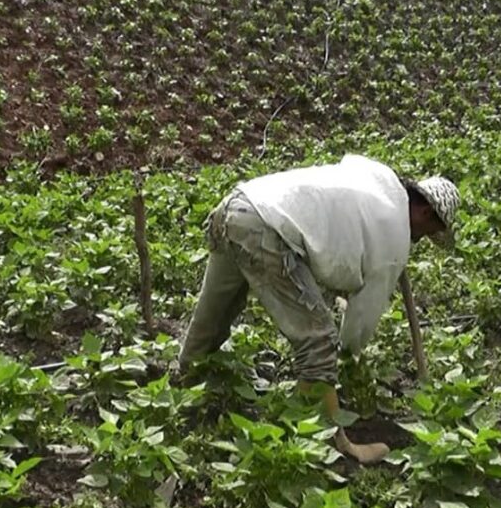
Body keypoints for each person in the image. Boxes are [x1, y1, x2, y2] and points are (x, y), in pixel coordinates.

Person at [178, 153, 460, 463]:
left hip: (239, 205)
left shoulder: (379, 182)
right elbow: (360, 322)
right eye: (428, 231)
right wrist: (343, 363)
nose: (422, 239)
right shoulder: (394, 239)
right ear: (424, 211)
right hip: (267, 229)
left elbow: (327, 243)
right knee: (319, 341)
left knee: (213, 317)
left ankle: (183, 394)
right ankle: (328, 443)